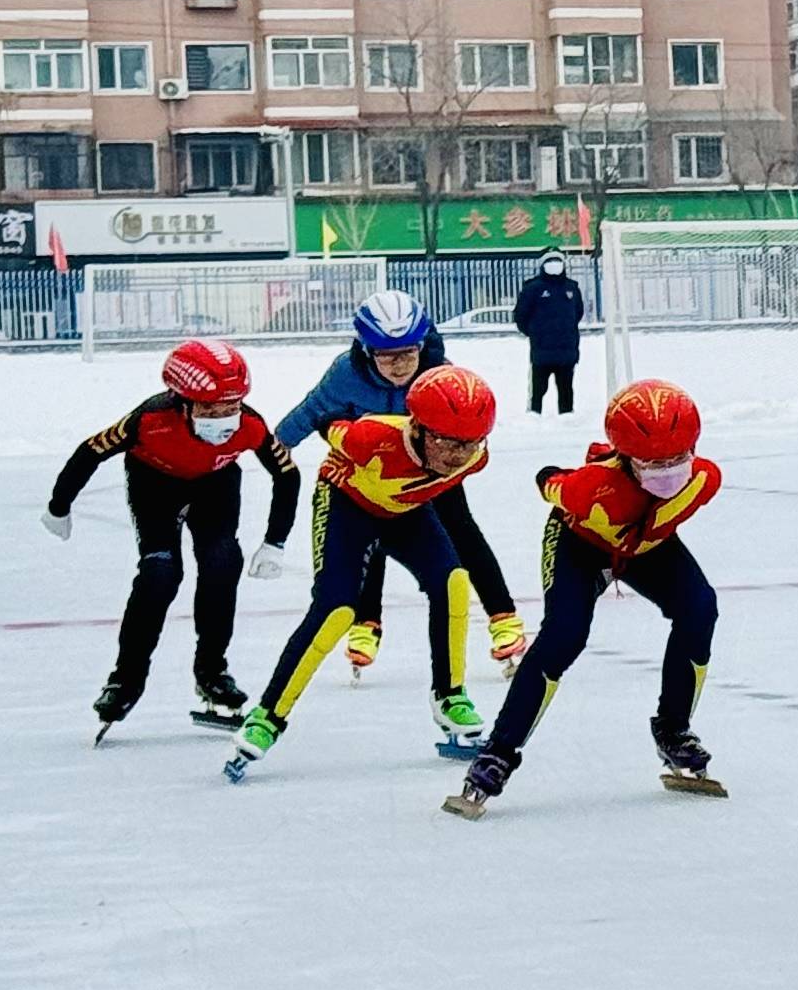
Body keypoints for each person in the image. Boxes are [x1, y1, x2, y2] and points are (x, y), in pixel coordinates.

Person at [445, 378, 725, 816]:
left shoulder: (704, 479)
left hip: (648, 546)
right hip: (578, 545)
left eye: (677, 458)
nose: (668, 471)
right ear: (626, 456)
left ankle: (674, 730)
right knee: (565, 634)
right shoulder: (590, 487)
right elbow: (548, 481)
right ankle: (498, 754)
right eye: (652, 463)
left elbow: (665, 506)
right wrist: (559, 478)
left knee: (699, 608)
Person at [225, 364, 514, 780]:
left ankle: (450, 695)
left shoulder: (475, 458)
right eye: (448, 444)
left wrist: (457, 453)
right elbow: (328, 424)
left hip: (405, 513)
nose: (458, 457)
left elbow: (446, 483)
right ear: (418, 428)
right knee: (337, 609)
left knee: (453, 581)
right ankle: (268, 716)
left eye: (470, 444)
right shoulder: (369, 438)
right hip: (347, 506)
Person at [270, 289, 520, 728]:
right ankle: (366, 621)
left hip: (429, 470)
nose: (400, 365)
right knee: (367, 545)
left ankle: (502, 616)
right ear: (367, 352)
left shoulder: (440, 374)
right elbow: (310, 412)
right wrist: (271, 450)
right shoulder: (345, 374)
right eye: (387, 357)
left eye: (408, 353)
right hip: (367, 469)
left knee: (460, 535)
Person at [46, 337, 299, 734]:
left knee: (222, 562)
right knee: (159, 575)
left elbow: (287, 473)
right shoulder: (149, 419)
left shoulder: (250, 425)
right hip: (155, 486)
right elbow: (90, 451)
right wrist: (59, 505)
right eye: (210, 408)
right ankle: (125, 680)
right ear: (181, 401)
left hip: (215, 487)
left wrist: (275, 540)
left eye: (231, 407)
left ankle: (212, 671)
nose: (223, 417)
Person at [512, 252, 588, 417]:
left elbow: (578, 312)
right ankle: (534, 416)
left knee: (566, 388)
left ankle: (567, 417)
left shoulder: (571, 288)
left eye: (557, 261)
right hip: (541, 351)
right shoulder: (532, 288)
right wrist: (534, 332)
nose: (554, 264)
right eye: (550, 261)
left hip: (567, 350)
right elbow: (520, 315)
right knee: (538, 389)